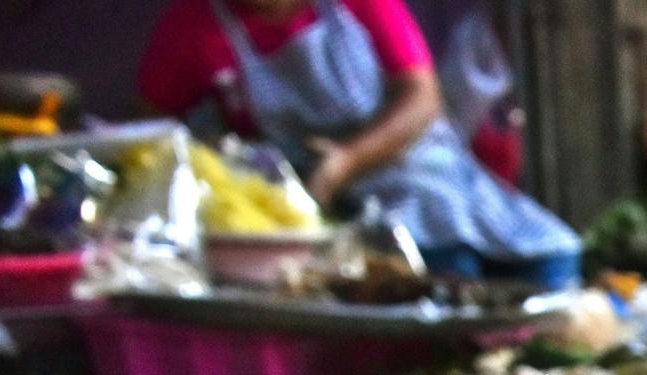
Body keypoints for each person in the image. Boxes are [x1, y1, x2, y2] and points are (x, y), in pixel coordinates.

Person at [135, 0, 580, 285]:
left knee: (554, 263)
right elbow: (148, 132)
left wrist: (347, 159)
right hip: (326, 206)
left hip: (428, 175)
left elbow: (421, 98)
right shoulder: (192, 25)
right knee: (448, 276)